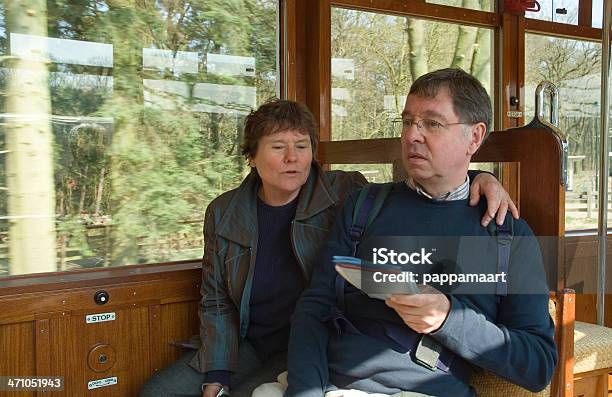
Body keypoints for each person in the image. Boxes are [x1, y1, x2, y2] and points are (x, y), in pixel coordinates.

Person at [139, 99, 517, 397]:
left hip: (313, 339)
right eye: (278, 147)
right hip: (249, 340)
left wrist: (479, 177)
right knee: (157, 392)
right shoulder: (224, 213)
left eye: (302, 146)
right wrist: (216, 373)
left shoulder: (344, 192)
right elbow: (217, 299)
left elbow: (422, 188)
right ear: (251, 157)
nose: (293, 158)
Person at [283, 69, 557, 397]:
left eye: (432, 123)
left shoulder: (507, 236)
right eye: (407, 122)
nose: (413, 135)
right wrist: (305, 392)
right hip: (328, 382)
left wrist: (448, 318)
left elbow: (538, 365)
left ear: (474, 137)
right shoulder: (364, 207)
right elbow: (315, 307)